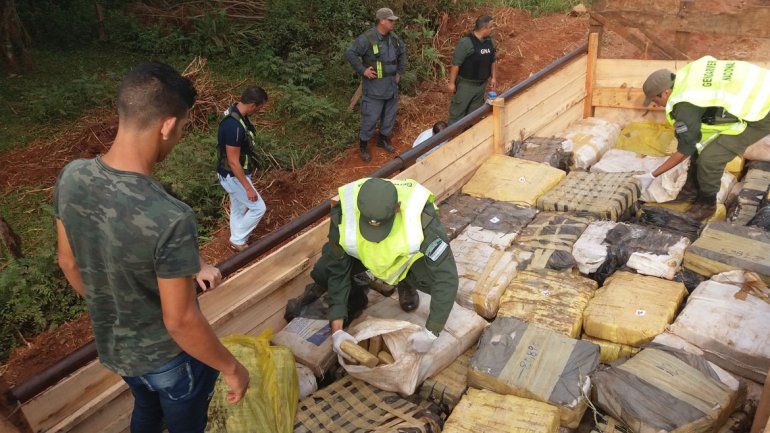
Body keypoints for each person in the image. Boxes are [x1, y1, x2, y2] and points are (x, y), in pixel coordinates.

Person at [54, 62, 250, 433]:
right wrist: (233, 369)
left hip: (117, 351)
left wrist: (121, 311)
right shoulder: (170, 216)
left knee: (145, 407)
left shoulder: (72, 177)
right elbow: (180, 321)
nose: (178, 139)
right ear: (167, 125)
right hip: (170, 362)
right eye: (183, 129)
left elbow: (69, 263)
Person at [309, 177, 459, 359]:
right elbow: (338, 271)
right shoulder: (344, 213)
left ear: (397, 208)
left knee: (434, 282)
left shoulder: (420, 216)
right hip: (368, 258)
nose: (376, 236)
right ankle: (357, 293)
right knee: (324, 272)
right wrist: (337, 331)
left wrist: (431, 332)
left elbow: (447, 277)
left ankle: (405, 282)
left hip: (406, 262)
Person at [637, 56, 770, 220]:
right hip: (762, 87)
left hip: (762, 112)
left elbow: (685, 150)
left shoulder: (684, 106)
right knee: (700, 146)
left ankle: (707, 205)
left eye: (655, 99)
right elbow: (693, 138)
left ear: (666, 92)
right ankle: (691, 189)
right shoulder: (686, 76)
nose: (655, 104)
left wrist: (652, 175)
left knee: (710, 159)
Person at [346, 7, 407, 162]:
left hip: (391, 87)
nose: (393, 23)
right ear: (381, 21)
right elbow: (351, 53)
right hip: (374, 89)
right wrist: (362, 70)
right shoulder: (367, 38)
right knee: (370, 118)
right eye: (390, 20)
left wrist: (399, 72)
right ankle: (363, 145)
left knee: (389, 117)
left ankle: (383, 139)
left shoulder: (393, 38)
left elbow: (402, 53)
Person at [217, 86, 268, 252]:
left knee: (238, 207)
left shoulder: (236, 113)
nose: (259, 110)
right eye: (260, 107)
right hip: (232, 175)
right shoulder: (234, 127)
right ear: (253, 105)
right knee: (258, 208)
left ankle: (237, 238)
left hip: (234, 172)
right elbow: (233, 161)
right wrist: (248, 187)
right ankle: (238, 239)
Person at [447, 15, 498, 125]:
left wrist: (493, 78)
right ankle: (452, 139)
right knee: (457, 113)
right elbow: (456, 64)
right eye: (491, 27)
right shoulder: (465, 43)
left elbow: (493, 61)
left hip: (481, 85)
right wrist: (451, 83)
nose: (492, 29)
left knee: (474, 115)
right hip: (466, 85)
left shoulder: (490, 42)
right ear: (484, 28)